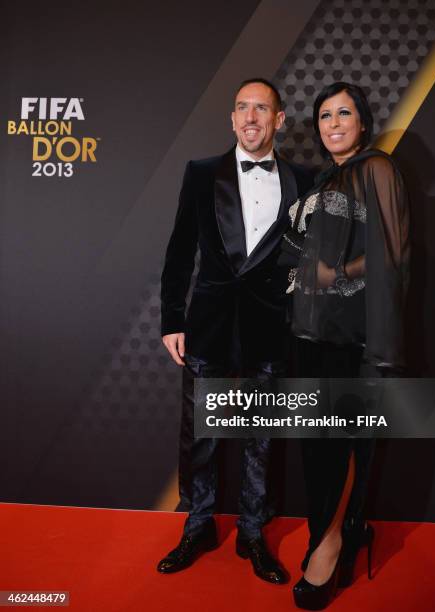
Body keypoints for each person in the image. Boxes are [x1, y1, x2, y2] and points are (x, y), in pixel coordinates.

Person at [158, 78, 313, 583]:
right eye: (242, 108)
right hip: (208, 326)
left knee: (260, 437)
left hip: (270, 328)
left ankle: (253, 531)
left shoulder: (303, 181)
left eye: (262, 109)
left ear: (279, 120)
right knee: (200, 434)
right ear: (231, 118)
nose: (251, 117)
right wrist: (171, 320)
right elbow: (181, 250)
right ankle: (198, 525)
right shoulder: (201, 174)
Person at [280, 82, 410, 609]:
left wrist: (333, 275)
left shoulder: (377, 168)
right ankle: (337, 529)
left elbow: (393, 253)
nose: (333, 123)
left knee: (339, 442)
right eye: (325, 116)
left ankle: (330, 544)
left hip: (349, 335)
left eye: (344, 113)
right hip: (306, 333)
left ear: (362, 121)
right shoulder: (320, 181)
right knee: (315, 448)